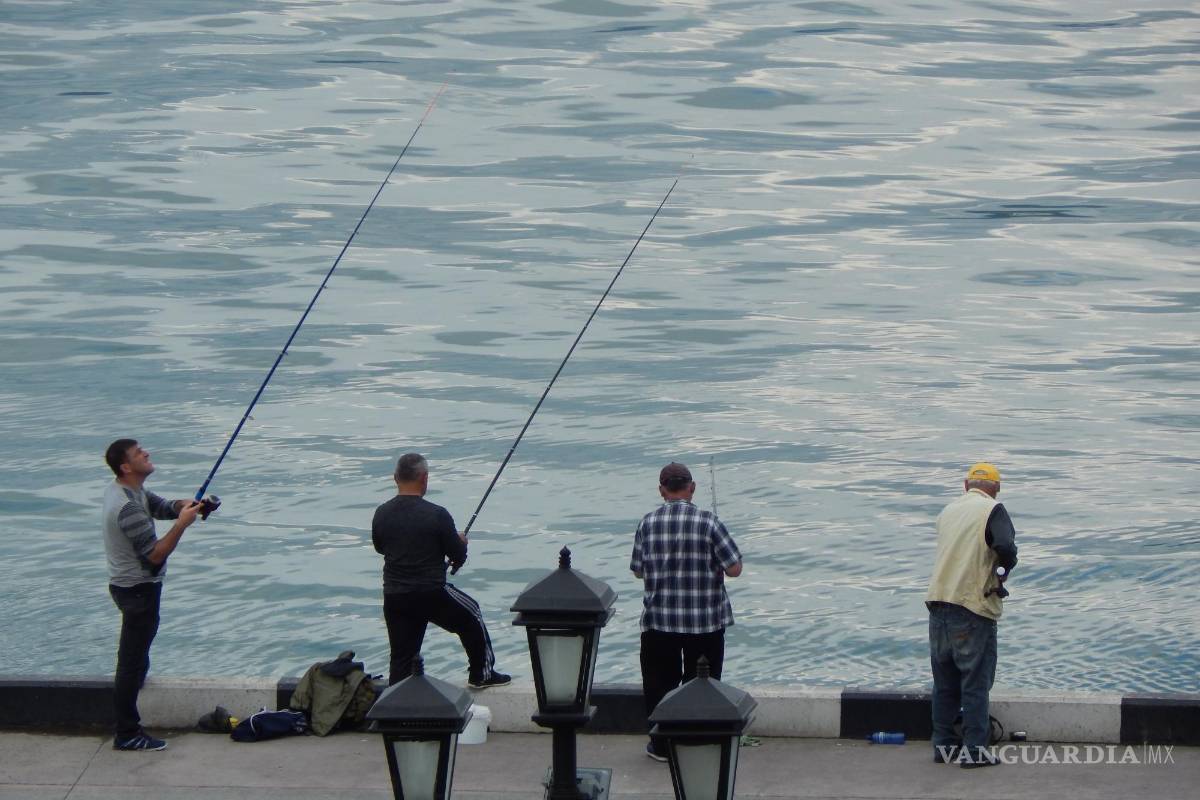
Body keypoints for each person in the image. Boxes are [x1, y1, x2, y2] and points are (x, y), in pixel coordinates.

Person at [630, 461, 743, 762]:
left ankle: (662, 746)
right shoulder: (709, 523)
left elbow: (638, 571)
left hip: (659, 621)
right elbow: (734, 569)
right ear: (691, 488)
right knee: (702, 684)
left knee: (659, 685)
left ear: (662, 490)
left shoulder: (647, 522)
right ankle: (697, 741)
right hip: (704, 622)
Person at [373, 453, 510, 689]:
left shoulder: (382, 513)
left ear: (396, 478)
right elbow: (457, 554)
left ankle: (395, 708)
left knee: (401, 657)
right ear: (424, 478)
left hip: (395, 595)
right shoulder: (437, 514)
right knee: (472, 614)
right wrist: (461, 543)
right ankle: (481, 674)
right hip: (431, 592)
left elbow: (380, 547)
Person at [102, 439, 203, 751]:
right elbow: (155, 555)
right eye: (138, 454)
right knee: (130, 663)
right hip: (137, 592)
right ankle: (127, 733)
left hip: (134, 589)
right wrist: (183, 525)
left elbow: (160, 507)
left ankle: (133, 697)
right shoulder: (127, 507)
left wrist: (184, 506)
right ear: (126, 467)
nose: (146, 453)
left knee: (137, 658)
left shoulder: (131, 491)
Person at [926, 462, 1018, 768]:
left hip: (939, 602)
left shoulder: (947, 511)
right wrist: (1003, 569)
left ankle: (943, 745)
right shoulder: (994, 509)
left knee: (945, 681)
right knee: (976, 681)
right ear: (996, 488)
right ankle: (974, 751)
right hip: (972, 607)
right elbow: (1004, 545)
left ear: (966, 486)